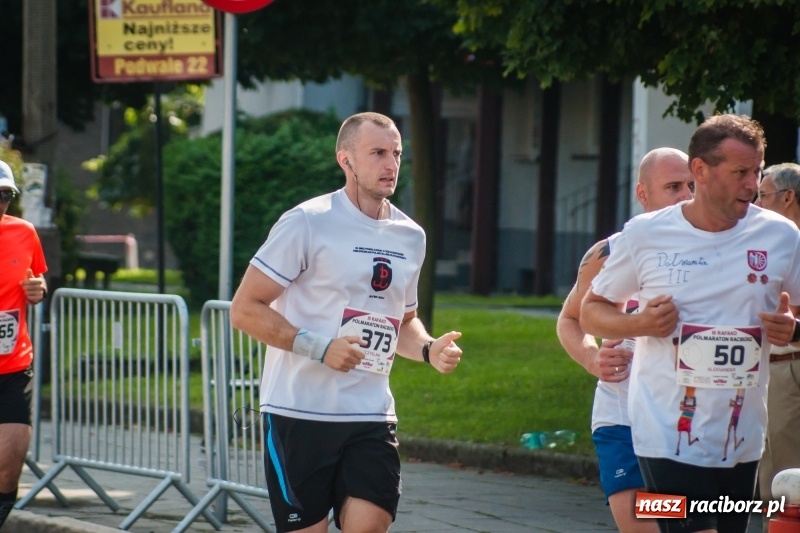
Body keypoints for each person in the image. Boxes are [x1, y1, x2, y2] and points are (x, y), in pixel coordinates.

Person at [230, 111, 463, 533]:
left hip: (370, 414)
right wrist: (319, 347)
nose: (390, 164)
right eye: (377, 152)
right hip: (299, 413)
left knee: (371, 526)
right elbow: (245, 309)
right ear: (346, 159)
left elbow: (403, 321)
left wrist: (429, 349)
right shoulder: (307, 221)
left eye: (396, 153)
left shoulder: (411, 235)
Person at [581, 113, 800, 533]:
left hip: (741, 436)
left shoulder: (780, 236)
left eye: (756, 172)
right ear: (700, 170)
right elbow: (591, 309)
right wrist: (642, 323)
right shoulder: (646, 234)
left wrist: (793, 330)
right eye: (740, 173)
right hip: (665, 432)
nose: (753, 185)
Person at [557, 147, 693, 533]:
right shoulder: (609, 252)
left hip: (685, 419)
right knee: (637, 519)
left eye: (690, 185)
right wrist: (590, 360)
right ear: (643, 194)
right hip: (622, 416)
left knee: (684, 519)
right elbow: (569, 319)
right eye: (672, 186)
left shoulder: (712, 252)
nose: (685, 195)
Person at [0, 160, 47, 528]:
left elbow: (37, 282)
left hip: (13, 367)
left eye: (5, 196)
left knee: (8, 467)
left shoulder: (24, 232)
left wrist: (38, 290)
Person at [754, 162, 800, 526]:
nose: (756, 203)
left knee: (784, 482)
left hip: (790, 366)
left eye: (763, 195)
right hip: (770, 368)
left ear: (788, 197)